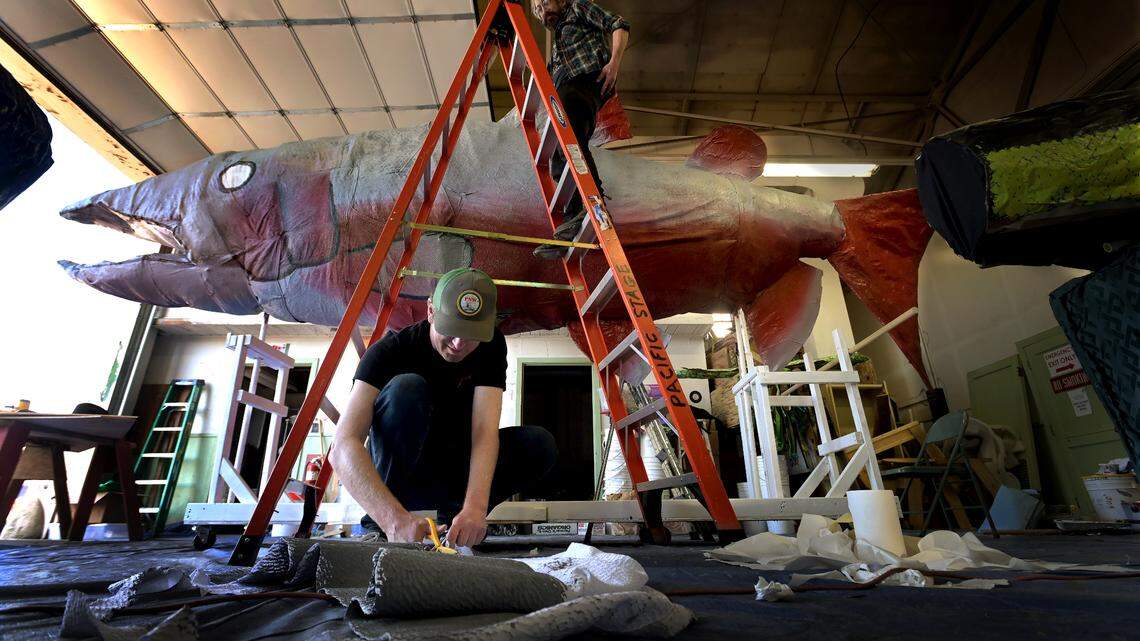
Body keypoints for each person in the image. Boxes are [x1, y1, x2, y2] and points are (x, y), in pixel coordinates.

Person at [329, 268, 557, 547]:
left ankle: (457, 523)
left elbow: (485, 431)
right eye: (451, 330)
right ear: (430, 312)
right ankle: (382, 525)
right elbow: (342, 444)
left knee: (539, 444)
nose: (459, 344)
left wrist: (475, 507)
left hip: (452, 476)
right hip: (401, 479)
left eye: (472, 335)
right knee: (407, 389)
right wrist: (392, 519)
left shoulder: (491, 346)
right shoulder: (389, 351)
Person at [531, 0, 630, 260]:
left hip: (585, 82)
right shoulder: (557, 46)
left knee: (568, 133)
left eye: (545, 3)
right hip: (567, 91)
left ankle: (592, 200)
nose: (542, 11)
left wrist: (615, 63)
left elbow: (618, 23)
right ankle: (573, 219)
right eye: (537, 9)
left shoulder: (577, 7)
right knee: (560, 150)